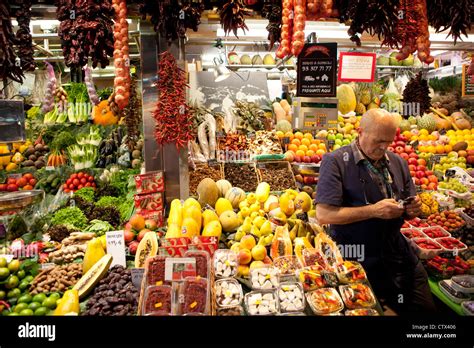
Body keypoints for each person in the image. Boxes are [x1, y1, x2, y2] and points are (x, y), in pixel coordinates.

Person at [315, 109, 436, 314]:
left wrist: (412, 209)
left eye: (388, 142)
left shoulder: (398, 162)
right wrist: (373, 211)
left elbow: (407, 205)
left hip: (396, 252)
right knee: (368, 307)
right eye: (378, 141)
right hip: (356, 255)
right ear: (360, 131)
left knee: (424, 308)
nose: (383, 147)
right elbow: (324, 215)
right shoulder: (335, 162)